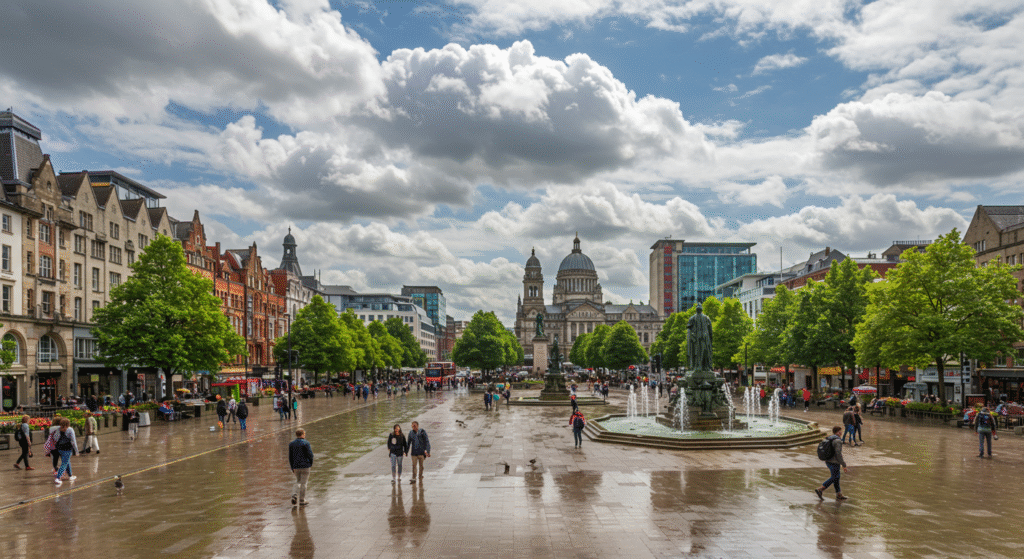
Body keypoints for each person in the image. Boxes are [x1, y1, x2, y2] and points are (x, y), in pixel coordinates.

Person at [814, 426, 849, 500]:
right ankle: (821, 489)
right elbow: (838, 454)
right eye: (840, 431)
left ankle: (839, 494)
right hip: (834, 462)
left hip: (828, 461)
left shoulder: (829, 438)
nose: (841, 432)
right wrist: (844, 465)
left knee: (836, 477)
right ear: (838, 432)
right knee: (835, 477)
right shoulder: (838, 441)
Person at [289, 428, 314, 506]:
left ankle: (294, 494)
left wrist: (292, 467)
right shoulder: (306, 443)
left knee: (298, 481)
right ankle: (302, 500)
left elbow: (290, 457)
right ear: (302, 434)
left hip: (296, 466)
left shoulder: (291, 444)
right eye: (304, 434)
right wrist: (310, 463)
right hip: (305, 466)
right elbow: (310, 455)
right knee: (304, 483)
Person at [51, 418, 79, 485]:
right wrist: (76, 450)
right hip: (67, 449)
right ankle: (58, 478)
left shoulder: (58, 429)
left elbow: (55, 438)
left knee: (67, 461)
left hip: (60, 449)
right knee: (64, 464)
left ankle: (70, 475)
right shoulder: (70, 429)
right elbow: (73, 441)